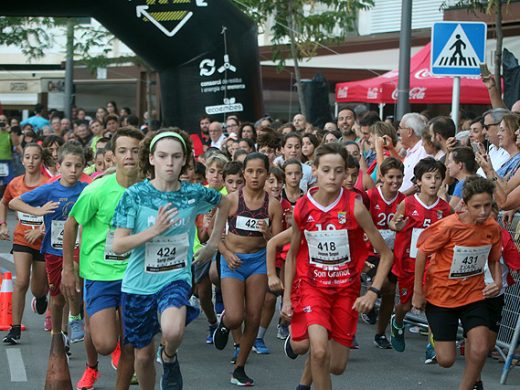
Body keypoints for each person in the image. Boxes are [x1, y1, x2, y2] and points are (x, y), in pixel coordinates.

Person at [110, 129, 230, 390]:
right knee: (141, 357)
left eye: (176, 157)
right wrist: (154, 231)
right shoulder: (134, 196)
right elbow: (118, 245)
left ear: (185, 160)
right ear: (151, 158)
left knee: (173, 331)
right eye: (163, 156)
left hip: (175, 278)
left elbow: (225, 203)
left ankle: (169, 356)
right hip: (138, 285)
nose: (170, 163)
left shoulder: (193, 193)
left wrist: (212, 244)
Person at [281, 142, 393, 390]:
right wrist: (287, 298)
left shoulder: (355, 207)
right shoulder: (302, 207)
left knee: (336, 366)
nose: (332, 177)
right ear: (315, 170)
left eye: (339, 171)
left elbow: (385, 255)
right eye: (326, 170)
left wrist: (372, 291)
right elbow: (293, 254)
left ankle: (307, 370)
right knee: (319, 351)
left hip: (346, 290)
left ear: (346, 173)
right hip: (313, 286)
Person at [61, 128, 144, 390]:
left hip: (135, 274)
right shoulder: (97, 190)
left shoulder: (149, 190)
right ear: (113, 156)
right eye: (123, 151)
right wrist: (67, 268)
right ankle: (92, 366)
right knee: (105, 343)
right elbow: (72, 224)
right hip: (99, 272)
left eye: (135, 150)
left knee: (130, 341)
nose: (129, 156)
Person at [412, 176, 502, 390]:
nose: (483, 212)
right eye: (477, 206)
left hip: (473, 294)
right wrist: (418, 292)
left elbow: (493, 258)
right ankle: (439, 338)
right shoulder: (448, 227)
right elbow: (422, 253)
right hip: (441, 297)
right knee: (446, 360)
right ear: (465, 204)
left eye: (487, 206)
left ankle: (468, 385)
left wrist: (497, 281)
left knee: (480, 348)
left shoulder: (492, 228)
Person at [213, 152, 283, 386]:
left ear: (267, 173)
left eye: (260, 171)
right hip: (233, 261)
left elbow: (276, 240)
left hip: (258, 262)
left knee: (253, 317)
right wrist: (226, 253)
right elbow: (215, 237)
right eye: (250, 171)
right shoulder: (231, 200)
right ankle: (224, 322)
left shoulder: (273, 205)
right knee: (236, 316)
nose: (255, 176)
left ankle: (239, 368)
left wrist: (267, 234)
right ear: (243, 173)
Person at [9, 142, 88, 344]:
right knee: (57, 295)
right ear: (58, 166)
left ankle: (75, 318)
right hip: (53, 249)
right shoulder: (49, 189)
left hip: (78, 247)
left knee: (73, 278)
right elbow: (13, 202)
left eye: (78, 166)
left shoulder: (88, 190)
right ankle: (58, 335)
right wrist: (38, 211)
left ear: (83, 166)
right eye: (68, 165)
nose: (73, 170)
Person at [388, 157, 452, 355]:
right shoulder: (407, 204)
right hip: (409, 263)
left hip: (435, 265)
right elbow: (394, 223)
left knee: (435, 304)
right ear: (418, 181)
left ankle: (433, 344)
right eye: (428, 177)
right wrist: (395, 226)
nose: (433, 181)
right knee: (407, 305)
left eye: (437, 177)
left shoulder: (445, 209)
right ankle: (397, 322)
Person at [2, 143, 49, 344]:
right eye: (27, 157)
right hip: (22, 238)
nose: (31, 161)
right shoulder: (14, 184)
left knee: (38, 288)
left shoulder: (49, 184)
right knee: (21, 281)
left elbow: (58, 214)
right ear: (22, 160)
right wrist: (3, 224)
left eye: (35, 157)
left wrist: (40, 230)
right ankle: (14, 329)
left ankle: (40, 297)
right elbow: (4, 202)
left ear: (41, 160)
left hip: (43, 241)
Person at [363, 157, 405, 349]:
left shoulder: (404, 200)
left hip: (393, 254)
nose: (395, 181)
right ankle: (368, 301)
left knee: (389, 292)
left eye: (399, 177)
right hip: (371, 252)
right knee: (384, 285)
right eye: (391, 177)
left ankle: (380, 333)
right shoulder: (370, 196)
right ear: (381, 177)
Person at [398, 113, 431, 194]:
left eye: (400, 128)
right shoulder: (411, 150)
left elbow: (418, 186)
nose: (398, 132)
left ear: (409, 132)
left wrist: (399, 198)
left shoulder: (423, 151)